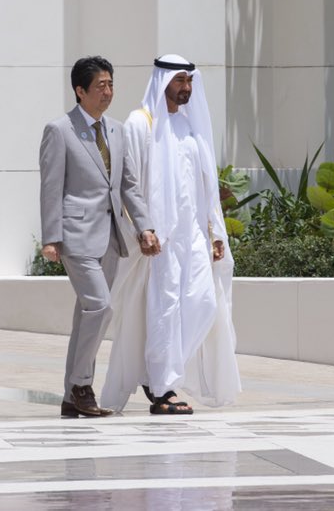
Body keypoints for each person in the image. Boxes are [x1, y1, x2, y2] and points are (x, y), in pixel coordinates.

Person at [102, 54, 240, 415]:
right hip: (159, 240)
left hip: (192, 236)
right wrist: (142, 229)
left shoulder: (189, 126)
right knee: (165, 310)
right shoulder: (140, 123)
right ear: (163, 81)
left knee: (203, 303)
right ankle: (162, 388)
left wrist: (215, 232)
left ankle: (160, 374)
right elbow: (127, 183)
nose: (186, 88)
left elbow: (204, 185)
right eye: (180, 81)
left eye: (189, 81)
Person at [39, 56, 160, 418]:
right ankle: (81, 385)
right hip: (75, 235)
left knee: (86, 314)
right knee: (100, 306)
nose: (107, 92)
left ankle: (70, 397)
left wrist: (144, 227)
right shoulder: (60, 130)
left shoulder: (117, 131)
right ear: (80, 91)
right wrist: (51, 237)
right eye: (100, 86)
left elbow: (128, 186)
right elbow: (51, 187)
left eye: (110, 84)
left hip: (110, 237)